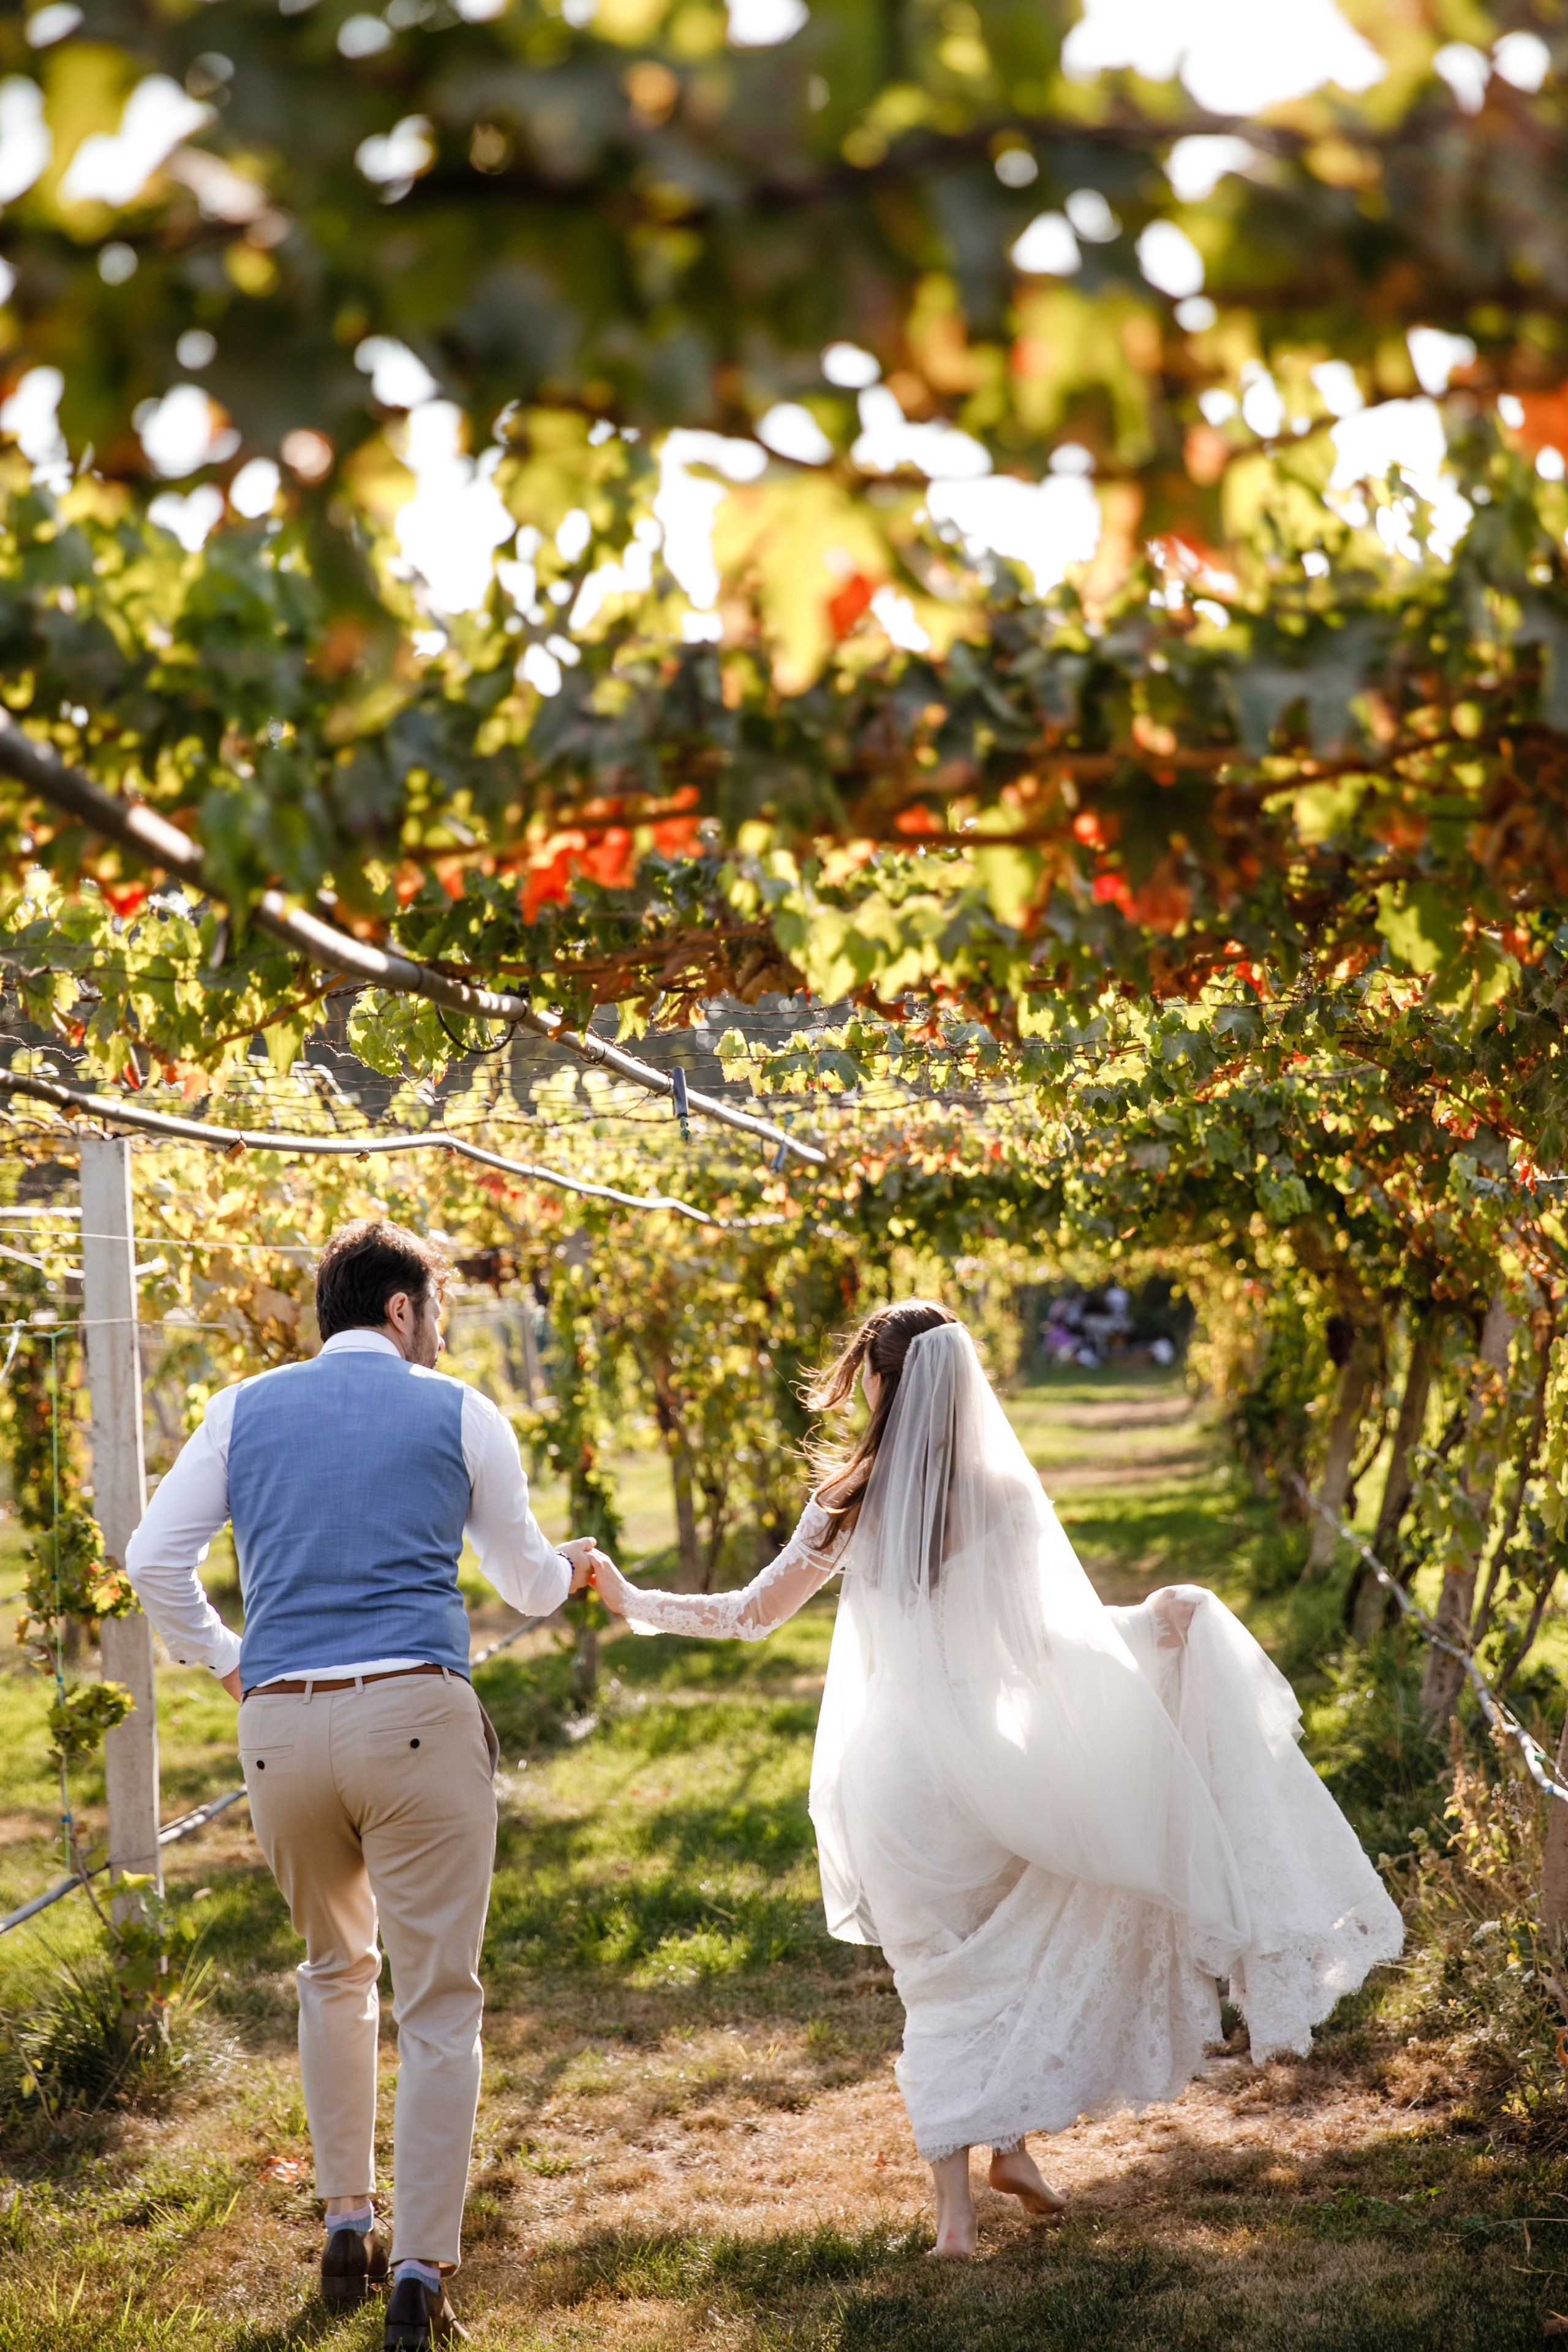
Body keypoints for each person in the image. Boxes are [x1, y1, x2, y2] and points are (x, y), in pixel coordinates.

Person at [590, 1299, 1403, 2259]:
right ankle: (1009, 2150)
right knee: (1001, 1949)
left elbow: (747, 1614)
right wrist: (1153, 1628)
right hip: (985, 1772)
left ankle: (959, 2213)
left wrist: (631, 1598)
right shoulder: (1004, 1501)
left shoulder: (849, 1499)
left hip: (890, 1777)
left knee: (936, 1979)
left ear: (884, 1385)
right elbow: (1053, 1644)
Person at [126, 1219, 606, 2348]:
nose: (439, 1335)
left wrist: (233, 1658)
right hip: (415, 1721)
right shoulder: (460, 1412)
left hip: (281, 1734)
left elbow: (153, 1560)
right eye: (435, 1312)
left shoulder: (242, 1409)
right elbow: (529, 1586)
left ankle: (348, 2219)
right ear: (401, 1310)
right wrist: (576, 1566)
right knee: (439, 2001)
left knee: (332, 1968)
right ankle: (421, 2275)